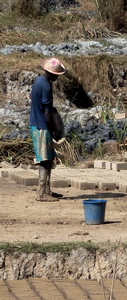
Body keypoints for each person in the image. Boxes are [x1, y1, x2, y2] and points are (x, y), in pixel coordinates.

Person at [30, 58, 66, 202]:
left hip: (37, 123)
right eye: (56, 74)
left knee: (49, 158)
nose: (57, 77)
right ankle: (41, 193)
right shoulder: (46, 86)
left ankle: (47, 190)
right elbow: (48, 112)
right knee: (44, 159)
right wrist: (55, 129)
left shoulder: (39, 81)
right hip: (42, 126)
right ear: (51, 74)